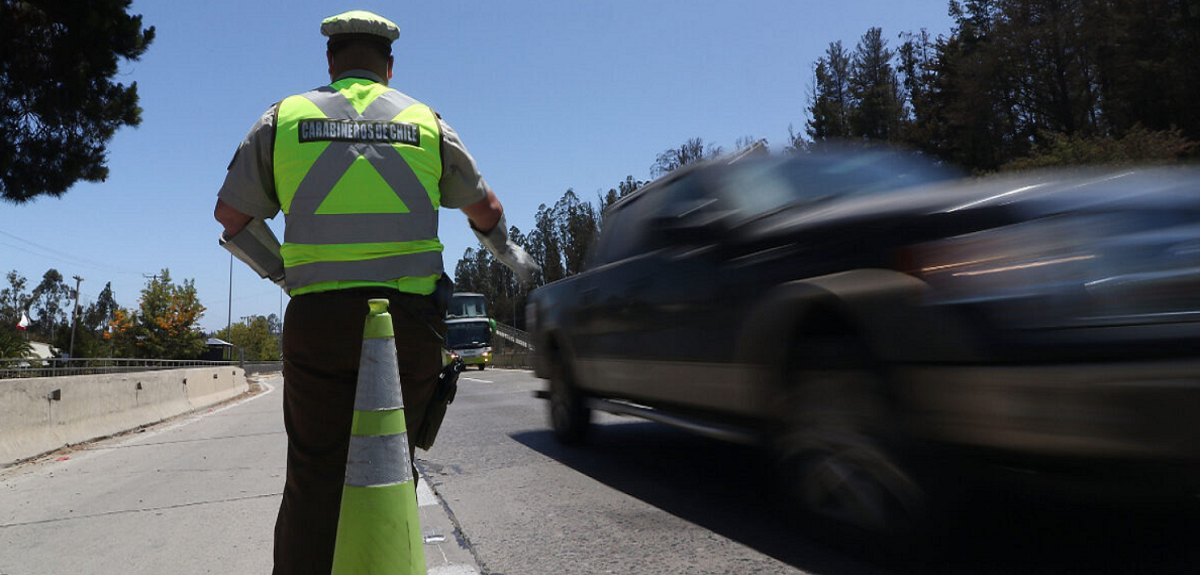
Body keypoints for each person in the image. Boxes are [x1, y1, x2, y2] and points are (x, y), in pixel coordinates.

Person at [212, 10, 536, 575]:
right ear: (388, 67)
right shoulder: (427, 122)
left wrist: (288, 275)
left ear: (331, 62)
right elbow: (488, 210)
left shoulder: (283, 118)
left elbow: (231, 217)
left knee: (313, 476)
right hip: (408, 328)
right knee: (391, 464)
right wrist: (513, 257)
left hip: (318, 322)